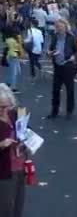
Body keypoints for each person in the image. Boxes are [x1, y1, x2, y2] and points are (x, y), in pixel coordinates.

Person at [0, 84, 26, 217]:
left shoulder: (15, 114)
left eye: (7, 106)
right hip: (4, 172)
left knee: (18, 205)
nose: (5, 110)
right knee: (6, 209)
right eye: (1, 107)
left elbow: (25, 131)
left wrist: (29, 141)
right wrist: (1, 145)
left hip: (20, 167)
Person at [48, 19, 77, 119]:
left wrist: (74, 56)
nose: (59, 29)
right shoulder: (54, 37)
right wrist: (50, 53)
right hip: (57, 66)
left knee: (70, 89)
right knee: (55, 89)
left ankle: (69, 111)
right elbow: (51, 48)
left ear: (65, 27)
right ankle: (54, 111)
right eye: (57, 27)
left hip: (68, 65)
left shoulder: (71, 38)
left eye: (60, 27)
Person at [3, 26, 21, 93]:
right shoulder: (13, 40)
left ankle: (8, 83)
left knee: (12, 72)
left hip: (10, 56)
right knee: (14, 73)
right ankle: (13, 87)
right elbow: (17, 49)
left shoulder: (7, 39)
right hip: (13, 56)